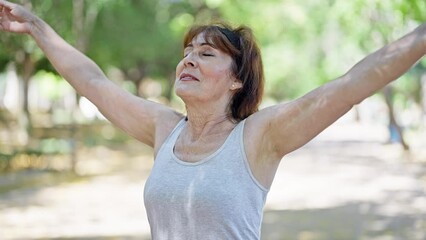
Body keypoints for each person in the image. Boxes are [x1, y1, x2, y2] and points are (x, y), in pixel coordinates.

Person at [1, 1, 425, 239]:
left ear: (237, 80)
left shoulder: (259, 136)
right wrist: (37, 26)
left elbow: (351, 85)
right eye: (187, 52)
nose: (188, 59)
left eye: (207, 54)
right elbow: (91, 80)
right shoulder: (163, 128)